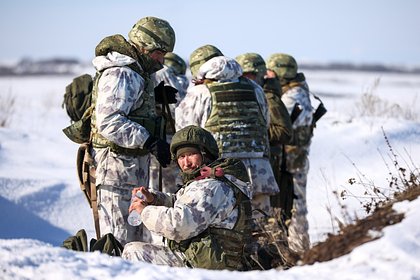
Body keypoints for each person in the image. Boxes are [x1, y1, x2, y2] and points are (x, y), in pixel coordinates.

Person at [89, 16, 176, 246]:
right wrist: (149, 141)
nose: (161, 60)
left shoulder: (137, 74)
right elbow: (109, 121)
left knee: (134, 242)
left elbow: (128, 109)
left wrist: (152, 98)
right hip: (117, 173)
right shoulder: (123, 73)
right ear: (144, 45)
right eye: (159, 52)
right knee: (118, 242)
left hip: (131, 171)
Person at [122, 125, 253, 270]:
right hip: (207, 260)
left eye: (191, 154)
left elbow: (179, 225)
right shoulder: (206, 182)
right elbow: (183, 204)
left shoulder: (211, 186)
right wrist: (154, 199)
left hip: (212, 267)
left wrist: (144, 211)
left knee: (134, 252)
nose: (186, 162)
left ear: (206, 154)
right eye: (181, 157)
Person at [175, 45, 279, 222]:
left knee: (229, 233)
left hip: (222, 173)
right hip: (260, 173)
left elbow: (186, 133)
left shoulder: (200, 93)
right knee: (263, 231)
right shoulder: (255, 89)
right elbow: (266, 123)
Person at [236, 52, 294, 227]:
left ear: (257, 74)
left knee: (270, 218)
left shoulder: (268, 96)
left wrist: (253, 134)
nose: (245, 79)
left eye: (248, 75)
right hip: (256, 164)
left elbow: (284, 131)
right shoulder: (251, 92)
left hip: (269, 164)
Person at [266, 53, 313, 253]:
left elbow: (278, 123)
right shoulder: (292, 92)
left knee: (295, 207)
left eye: (271, 72)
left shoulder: (294, 96)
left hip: (293, 161)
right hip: (290, 159)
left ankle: (299, 252)